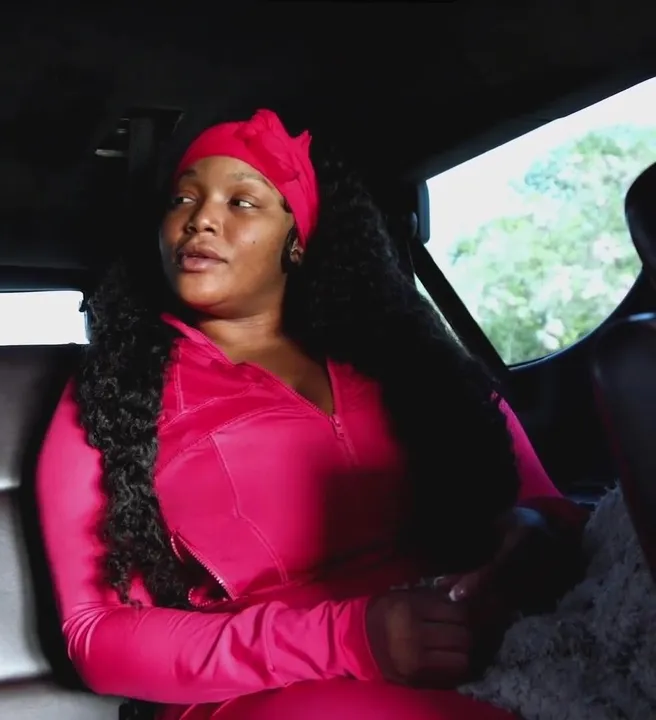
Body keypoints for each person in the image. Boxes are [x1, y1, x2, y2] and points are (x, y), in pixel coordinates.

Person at [36, 109, 588, 720]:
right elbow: (94, 633)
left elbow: (549, 509)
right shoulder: (115, 394)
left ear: (296, 240)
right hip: (260, 696)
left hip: (479, 650)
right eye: (183, 199)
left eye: (242, 202)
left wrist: (525, 543)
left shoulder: (413, 364)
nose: (201, 219)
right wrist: (350, 638)